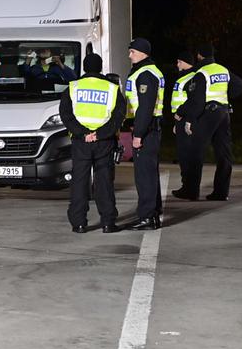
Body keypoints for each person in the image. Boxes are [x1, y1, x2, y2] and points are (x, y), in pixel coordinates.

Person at [60, 53, 126, 233]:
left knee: (79, 182)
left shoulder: (73, 87)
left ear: (84, 67)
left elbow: (65, 115)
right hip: (104, 142)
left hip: (81, 143)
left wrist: (83, 134)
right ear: (100, 67)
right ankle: (107, 222)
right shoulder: (111, 88)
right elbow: (119, 116)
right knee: (104, 181)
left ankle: (79, 223)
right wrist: (100, 134)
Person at [174, 43, 242, 201]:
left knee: (196, 151)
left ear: (199, 55)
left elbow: (197, 101)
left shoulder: (202, 73)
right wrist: (225, 95)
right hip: (224, 113)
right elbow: (241, 86)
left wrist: (188, 118)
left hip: (209, 113)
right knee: (224, 153)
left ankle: (191, 191)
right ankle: (221, 192)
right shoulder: (222, 69)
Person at [126, 37, 165, 230]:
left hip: (146, 130)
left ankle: (147, 217)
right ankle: (153, 212)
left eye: (132, 51)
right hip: (150, 128)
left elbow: (145, 107)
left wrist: (138, 135)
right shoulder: (147, 71)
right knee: (149, 173)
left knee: (144, 175)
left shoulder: (146, 74)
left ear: (143, 53)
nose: (129, 55)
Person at [170, 51, 198, 196]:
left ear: (186, 62)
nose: (177, 64)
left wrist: (185, 119)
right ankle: (187, 186)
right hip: (181, 120)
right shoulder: (184, 77)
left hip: (186, 120)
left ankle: (189, 188)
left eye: (179, 61)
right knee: (183, 155)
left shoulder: (191, 78)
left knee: (186, 155)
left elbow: (192, 100)